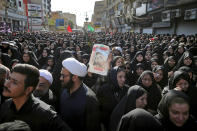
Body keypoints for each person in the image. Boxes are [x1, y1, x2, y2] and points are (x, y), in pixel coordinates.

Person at [0, 64, 71, 131]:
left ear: (28, 90)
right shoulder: (6, 105)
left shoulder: (46, 114)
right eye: (9, 79)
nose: (6, 84)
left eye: (14, 82)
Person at [59, 58, 100, 131]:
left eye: (63, 76)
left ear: (74, 77)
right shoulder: (64, 90)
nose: (60, 78)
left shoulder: (90, 99)